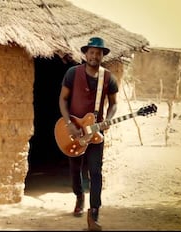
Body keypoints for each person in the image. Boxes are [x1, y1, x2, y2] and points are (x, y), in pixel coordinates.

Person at [58, 37, 118, 231]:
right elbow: (63, 100)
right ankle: (79, 196)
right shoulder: (72, 73)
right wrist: (69, 124)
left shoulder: (108, 77)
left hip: (95, 133)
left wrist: (107, 119)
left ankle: (94, 214)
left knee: (96, 172)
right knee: (75, 170)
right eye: (91, 52)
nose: (94, 56)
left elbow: (114, 103)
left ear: (103, 56)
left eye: (98, 53)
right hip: (75, 129)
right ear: (86, 54)